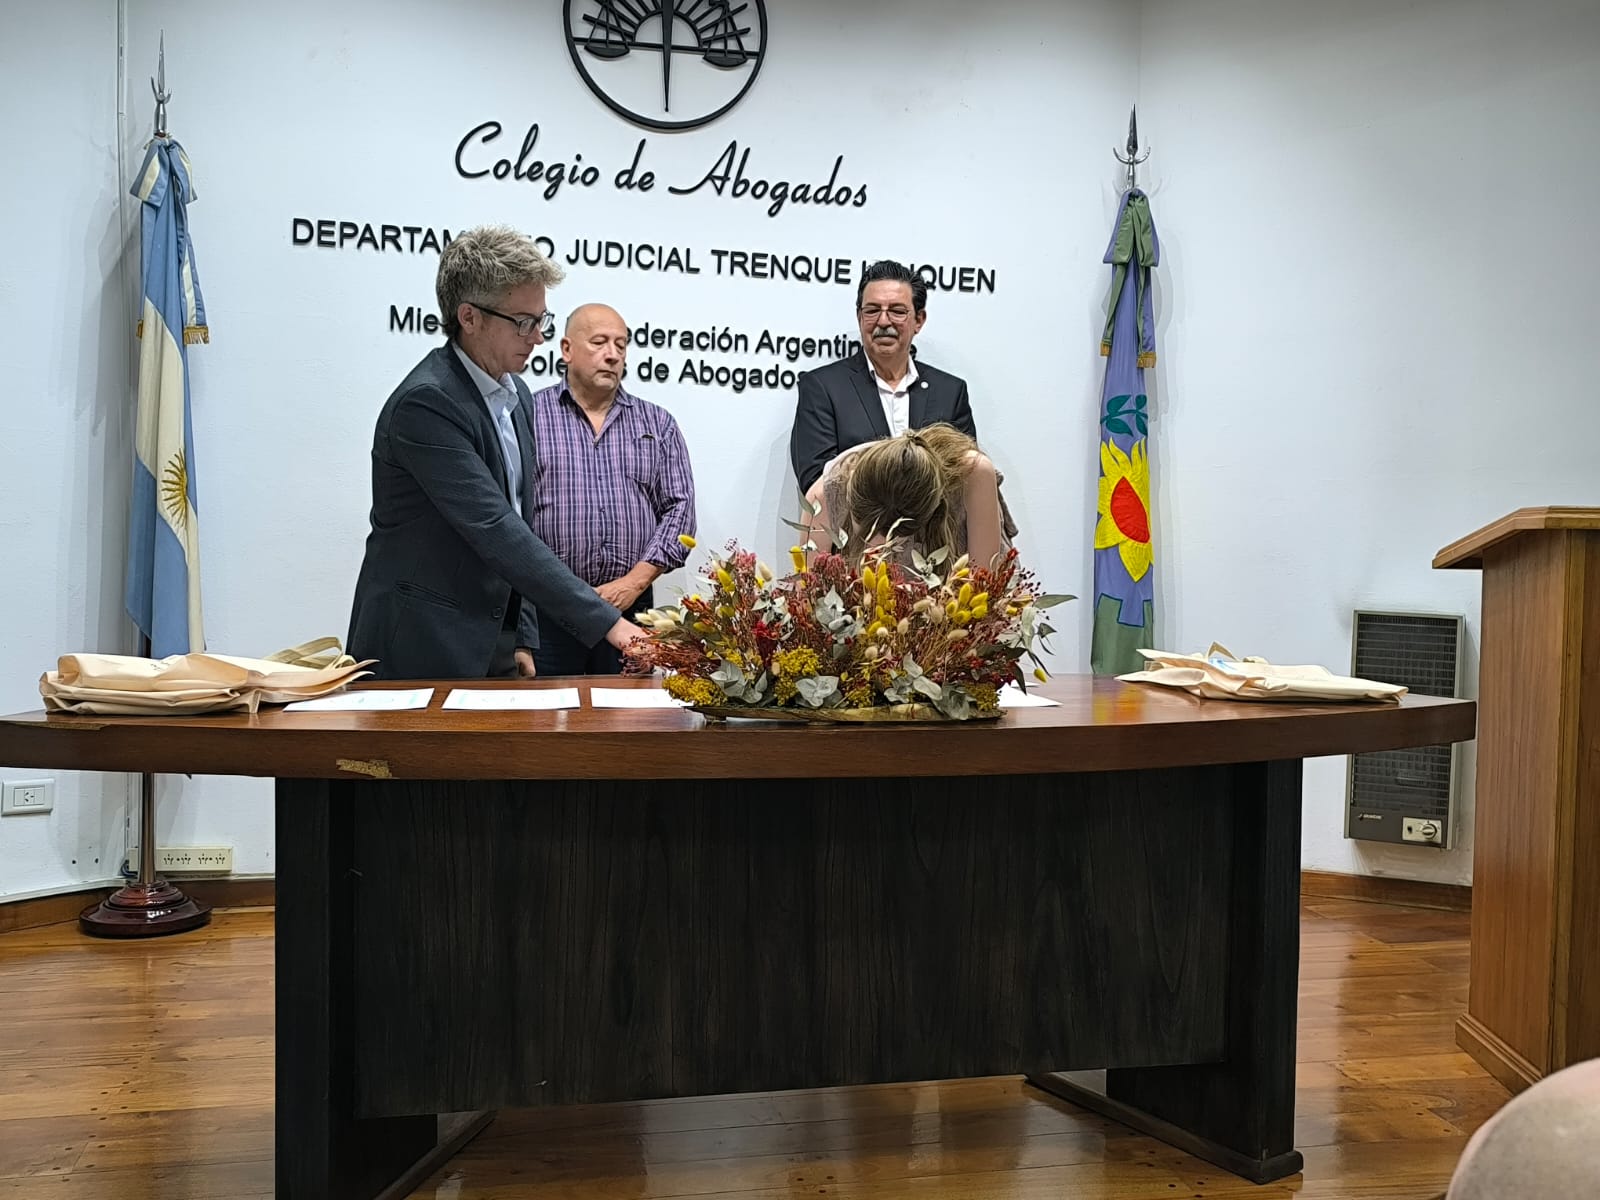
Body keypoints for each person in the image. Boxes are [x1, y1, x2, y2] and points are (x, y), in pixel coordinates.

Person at [347, 225, 642, 680]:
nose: (538, 337)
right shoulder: (427, 403)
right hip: (421, 644)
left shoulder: (517, 394)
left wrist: (521, 636)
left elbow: (520, 517)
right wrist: (611, 624)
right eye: (523, 322)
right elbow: (495, 528)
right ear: (469, 317)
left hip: (491, 642)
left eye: (541, 320)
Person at [526, 304, 697, 675]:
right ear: (567, 349)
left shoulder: (657, 423)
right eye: (600, 342)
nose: (613, 354)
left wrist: (634, 583)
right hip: (548, 614)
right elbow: (510, 512)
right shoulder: (528, 415)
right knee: (548, 710)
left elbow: (680, 511)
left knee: (627, 710)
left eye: (621, 345)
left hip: (631, 609)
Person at [789, 259, 978, 495]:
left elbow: (967, 477)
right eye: (872, 310)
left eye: (897, 311)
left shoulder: (950, 392)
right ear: (859, 317)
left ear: (919, 320)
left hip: (935, 520)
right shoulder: (822, 388)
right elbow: (816, 483)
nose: (884, 321)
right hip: (852, 520)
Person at [804, 423, 1015, 571]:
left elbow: (982, 585)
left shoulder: (972, 473)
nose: (877, 549)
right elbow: (809, 597)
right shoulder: (823, 497)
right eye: (868, 534)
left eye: (891, 541)